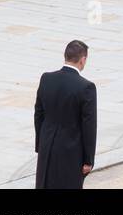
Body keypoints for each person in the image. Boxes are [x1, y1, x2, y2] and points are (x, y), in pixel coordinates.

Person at [34, 40, 97, 189]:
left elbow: (38, 114)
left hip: (47, 147)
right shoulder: (86, 87)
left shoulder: (46, 78)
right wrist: (88, 160)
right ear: (83, 60)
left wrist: (40, 145)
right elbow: (89, 125)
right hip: (71, 152)